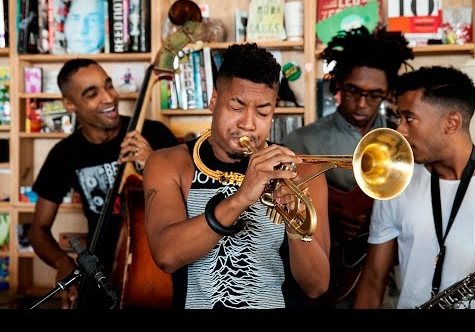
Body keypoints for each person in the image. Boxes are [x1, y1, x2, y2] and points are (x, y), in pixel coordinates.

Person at [143, 43, 331, 309]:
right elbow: (166, 255)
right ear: (214, 100)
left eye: (263, 111)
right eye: (236, 106)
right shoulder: (169, 164)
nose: (248, 123)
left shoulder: (303, 172)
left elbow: (317, 286)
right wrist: (242, 197)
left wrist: (294, 220)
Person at [29, 58, 178, 309]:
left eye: (108, 86)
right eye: (92, 94)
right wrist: (62, 262)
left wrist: (152, 162)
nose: (109, 98)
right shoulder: (64, 154)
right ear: (70, 104)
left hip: (156, 271)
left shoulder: (154, 134)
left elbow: (195, 199)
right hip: (99, 275)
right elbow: (38, 231)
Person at [282, 25, 413, 308]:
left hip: (385, 280)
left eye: (374, 94)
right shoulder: (301, 141)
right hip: (326, 278)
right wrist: (322, 214)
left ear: (388, 93)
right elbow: (272, 214)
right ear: (338, 82)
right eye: (353, 91)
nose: (362, 104)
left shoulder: (403, 143)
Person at [353, 66, 475, 309]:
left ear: (451, 123)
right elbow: (373, 279)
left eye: (409, 118)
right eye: (398, 118)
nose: (399, 130)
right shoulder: (393, 180)